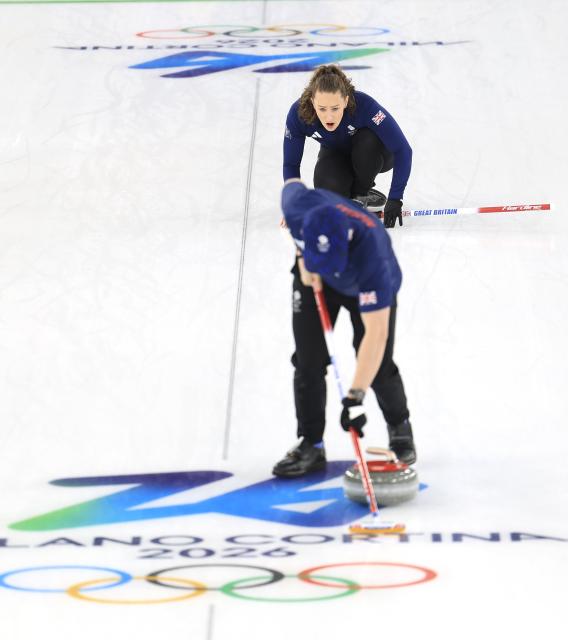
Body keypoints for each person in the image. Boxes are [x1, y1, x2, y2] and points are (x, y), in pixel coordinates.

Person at [272, 179, 416, 477]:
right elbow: (293, 183)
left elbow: (376, 334)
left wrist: (355, 397)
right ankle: (311, 443)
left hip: (362, 283)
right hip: (313, 279)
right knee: (308, 361)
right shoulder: (298, 206)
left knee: (377, 363)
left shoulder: (373, 257)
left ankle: (399, 426)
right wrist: (304, 260)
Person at [282, 64, 412, 228]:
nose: (329, 116)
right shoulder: (298, 113)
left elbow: (402, 150)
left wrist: (395, 197)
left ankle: (361, 192)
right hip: (336, 154)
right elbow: (291, 164)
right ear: (312, 102)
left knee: (367, 141)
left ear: (346, 100)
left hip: (375, 152)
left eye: (335, 108)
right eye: (322, 109)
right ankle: (349, 194)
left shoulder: (365, 106)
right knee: (329, 187)